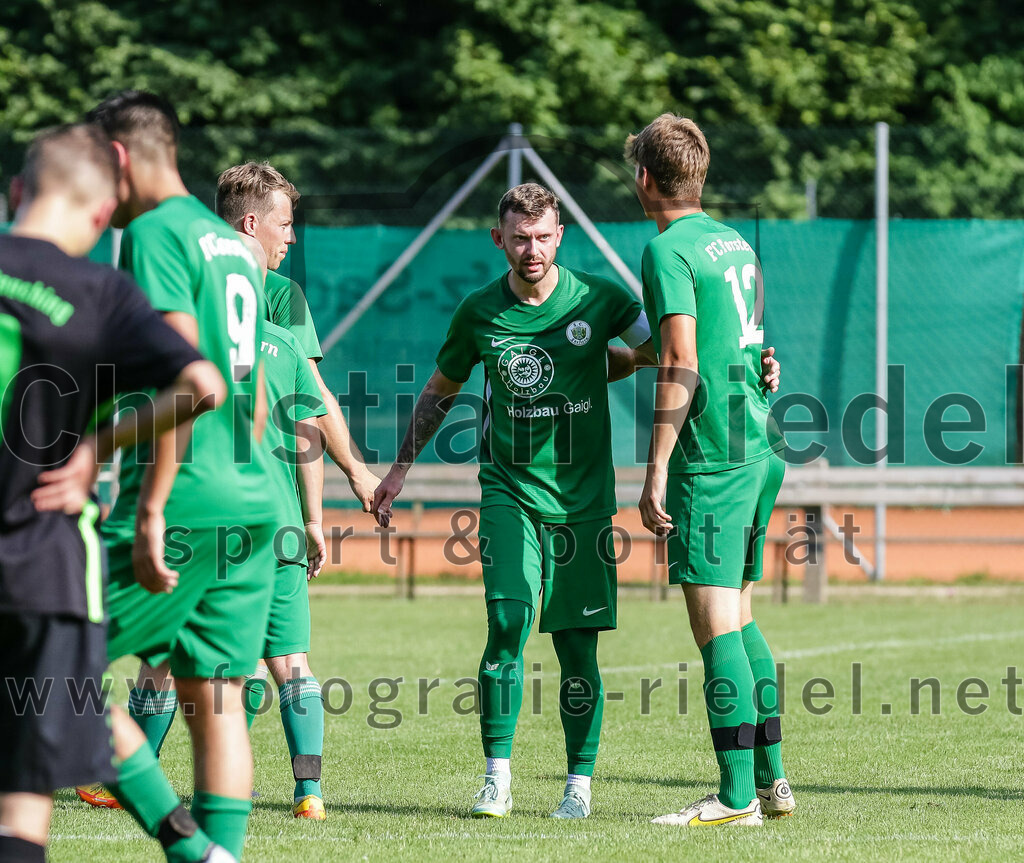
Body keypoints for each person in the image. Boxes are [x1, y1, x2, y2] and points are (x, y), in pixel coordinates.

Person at [372, 183, 781, 820]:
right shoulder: (479, 312)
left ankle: (577, 787)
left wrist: (752, 363)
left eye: (541, 237)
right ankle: (496, 778)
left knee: (577, 647)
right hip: (509, 491)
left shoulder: (600, 297)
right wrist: (399, 469)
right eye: (518, 237)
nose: (530, 249)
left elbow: (668, 348)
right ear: (498, 239)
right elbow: (440, 390)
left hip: (585, 500)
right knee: (506, 624)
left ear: (559, 237)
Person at [0, 123, 230, 862]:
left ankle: (189, 845)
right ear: (104, 214)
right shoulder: (103, 291)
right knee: (23, 797)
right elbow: (204, 386)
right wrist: (97, 445)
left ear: (15, 193)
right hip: (44, 566)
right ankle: (195, 848)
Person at [80, 90, 282, 860]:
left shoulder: (155, 234)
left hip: (185, 497)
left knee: (45, 669)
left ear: (123, 157)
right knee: (217, 695)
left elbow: (190, 382)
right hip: (251, 494)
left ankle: (194, 849)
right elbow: (253, 394)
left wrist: (132, 476)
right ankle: (218, 856)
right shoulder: (234, 243)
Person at [627, 113, 793, 826]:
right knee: (744, 615)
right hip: (758, 448)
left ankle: (733, 799)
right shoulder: (735, 244)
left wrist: (657, 465)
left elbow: (681, 362)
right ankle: (773, 780)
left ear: (644, 178)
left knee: (716, 628)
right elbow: (744, 344)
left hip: (712, 461)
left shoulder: (666, 250)